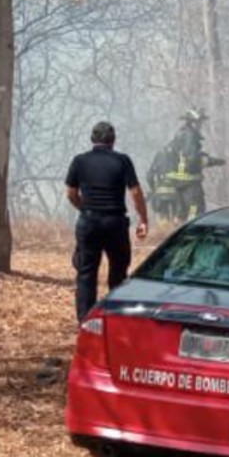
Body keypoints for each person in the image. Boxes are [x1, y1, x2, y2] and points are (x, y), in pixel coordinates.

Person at [65, 121, 149, 322]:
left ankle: (85, 322)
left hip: (89, 222)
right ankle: (115, 318)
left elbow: (71, 193)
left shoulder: (79, 161)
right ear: (113, 140)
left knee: (86, 274)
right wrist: (143, 219)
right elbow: (136, 192)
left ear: (92, 139)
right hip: (115, 223)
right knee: (119, 273)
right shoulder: (122, 161)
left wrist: (85, 209)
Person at [161, 109, 226, 220]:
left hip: (178, 182)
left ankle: (178, 230)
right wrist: (213, 161)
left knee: (182, 212)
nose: (201, 125)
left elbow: (184, 155)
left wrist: (202, 155)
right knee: (196, 210)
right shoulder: (190, 136)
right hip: (189, 181)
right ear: (193, 122)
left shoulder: (181, 133)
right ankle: (193, 232)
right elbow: (192, 160)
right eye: (199, 122)